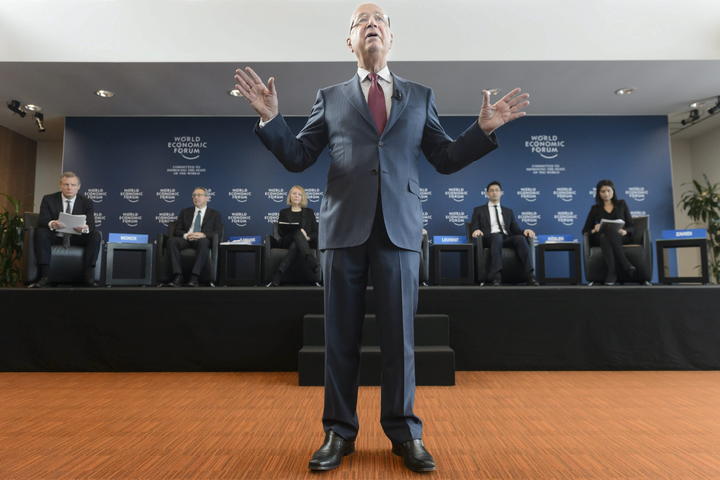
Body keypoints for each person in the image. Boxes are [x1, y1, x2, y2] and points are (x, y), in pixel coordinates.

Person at [233, 3, 529, 473]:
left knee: (400, 338)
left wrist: (482, 131)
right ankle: (338, 432)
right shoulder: (329, 97)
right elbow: (299, 157)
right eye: (361, 21)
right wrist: (272, 120)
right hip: (343, 229)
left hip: (399, 230)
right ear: (349, 41)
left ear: (391, 37)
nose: (371, 25)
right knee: (339, 338)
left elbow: (445, 158)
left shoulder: (421, 96)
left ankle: (405, 432)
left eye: (379, 21)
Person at [31, 171, 101, 288]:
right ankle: (44, 276)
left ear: (78, 187)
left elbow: (91, 224)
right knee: (41, 232)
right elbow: (43, 220)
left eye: (73, 185)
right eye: (66, 184)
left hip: (76, 237)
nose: (69, 188)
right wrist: (53, 223)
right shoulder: (48, 199)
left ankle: (89, 277)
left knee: (95, 235)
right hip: (56, 236)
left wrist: (85, 228)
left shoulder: (86, 202)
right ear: (60, 186)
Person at [470, 181, 538, 286]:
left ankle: (530, 276)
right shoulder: (479, 210)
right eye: (491, 191)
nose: (494, 193)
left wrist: (525, 231)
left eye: (497, 190)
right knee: (497, 237)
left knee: (520, 238)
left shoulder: (508, 211)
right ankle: (496, 276)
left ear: (501, 193)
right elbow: (474, 226)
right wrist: (476, 230)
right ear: (487, 194)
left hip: (506, 238)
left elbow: (515, 229)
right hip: (489, 238)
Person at [581, 179, 636, 286]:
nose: (606, 194)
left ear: (613, 191)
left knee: (607, 236)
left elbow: (631, 226)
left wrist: (625, 231)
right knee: (605, 236)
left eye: (608, 190)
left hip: (620, 237)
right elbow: (585, 231)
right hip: (600, 238)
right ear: (598, 193)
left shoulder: (621, 204)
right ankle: (626, 264)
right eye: (603, 191)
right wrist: (594, 229)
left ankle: (612, 273)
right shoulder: (595, 208)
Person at [166, 187, 223, 287]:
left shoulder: (215, 214)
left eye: (199, 195)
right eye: (194, 195)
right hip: (187, 239)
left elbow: (217, 232)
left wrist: (203, 234)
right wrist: (186, 235)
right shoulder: (185, 212)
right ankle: (178, 275)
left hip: (201, 240)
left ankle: (194, 277)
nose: (196, 197)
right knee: (172, 241)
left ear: (206, 198)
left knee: (204, 242)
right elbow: (177, 230)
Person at [268, 185, 320, 287]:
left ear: (302, 197)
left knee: (296, 243)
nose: (296, 196)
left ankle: (279, 273)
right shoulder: (283, 212)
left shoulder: (309, 212)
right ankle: (310, 260)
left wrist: (306, 237)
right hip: (287, 240)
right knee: (297, 232)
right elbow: (281, 232)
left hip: (305, 243)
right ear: (290, 196)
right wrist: (298, 232)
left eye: (299, 194)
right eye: (294, 193)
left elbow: (315, 232)